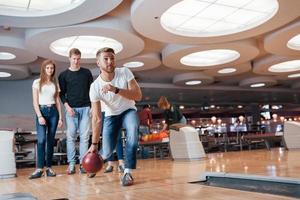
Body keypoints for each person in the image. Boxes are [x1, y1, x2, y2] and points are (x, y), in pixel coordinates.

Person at [88, 47, 142, 186]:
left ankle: (127, 172)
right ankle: (93, 165)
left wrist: (116, 89)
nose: (110, 61)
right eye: (105, 59)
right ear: (98, 63)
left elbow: (138, 95)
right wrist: (94, 144)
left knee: (132, 131)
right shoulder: (95, 87)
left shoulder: (124, 72)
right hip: (112, 115)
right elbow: (96, 118)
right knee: (106, 152)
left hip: (128, 110)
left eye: (112, 58)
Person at [58, 48, 93, 175]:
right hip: (71, 110)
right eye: (74, 59)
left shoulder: (86, 73)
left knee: (84, 138)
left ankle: (83, 164)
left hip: (85, 108)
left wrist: (92, 107)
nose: (76, 61)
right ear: (69, 59)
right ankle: (72, 164)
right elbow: (61, 94)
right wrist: (67, 107)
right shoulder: (63, 75)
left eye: (78, 59)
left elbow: (91, 91)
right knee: (71, 137)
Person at [29, 59, 63, 179]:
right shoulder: (37, 82)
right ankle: (39, 169)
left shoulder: (55, 84)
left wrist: (60, 118)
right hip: (42, 111)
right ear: (44, 69)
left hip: (53, 112)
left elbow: (58, 101)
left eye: (52, 68)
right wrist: (39, 116)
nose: (50, 70)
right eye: (48, 68)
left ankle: (49, 168)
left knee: (50, 141)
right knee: (41, 140)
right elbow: (34, 102)